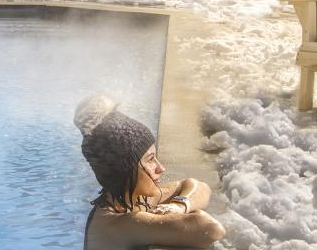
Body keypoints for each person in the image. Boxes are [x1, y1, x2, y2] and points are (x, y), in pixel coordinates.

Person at [74, 94, 225, 250]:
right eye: (150, 160)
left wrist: (180, 205)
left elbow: (198, 186)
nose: (160, 168)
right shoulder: (117, 224)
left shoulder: (134, 199)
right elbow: (210, 229)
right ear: (125, 169)